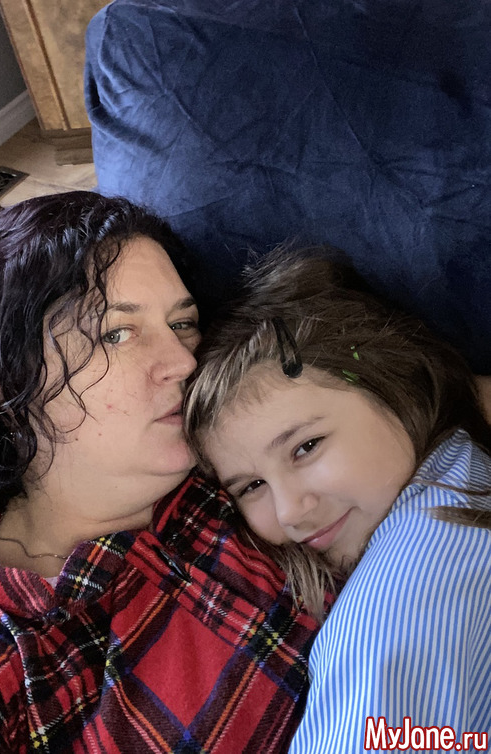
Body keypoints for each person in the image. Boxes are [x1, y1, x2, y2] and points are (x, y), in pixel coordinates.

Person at [0, 193, 320, 753]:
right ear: (6, 385)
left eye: (182, 323)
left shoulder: (248, 465)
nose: (184, 361)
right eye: (117, 333)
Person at [184, 247, 491, 753]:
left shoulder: (393, 612)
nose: (290, 512)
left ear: (391, 383)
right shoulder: (462, 471)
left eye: (306, 447)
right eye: (251, 487)